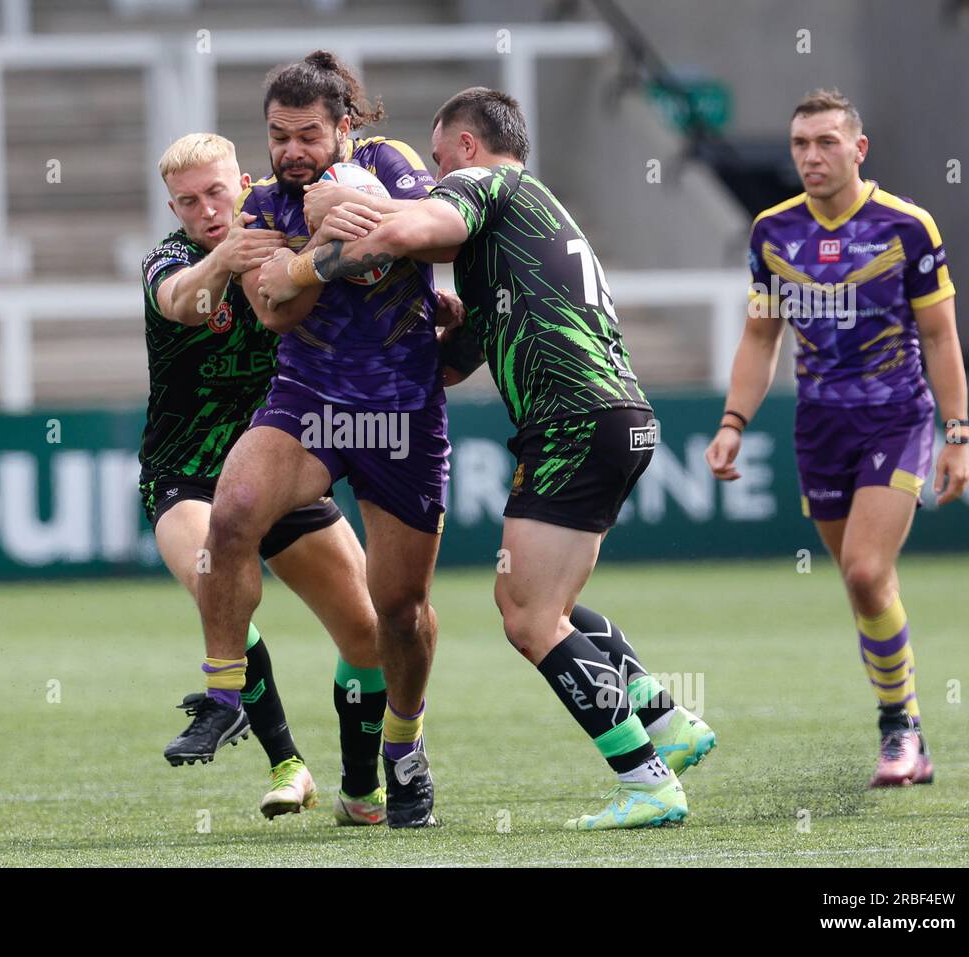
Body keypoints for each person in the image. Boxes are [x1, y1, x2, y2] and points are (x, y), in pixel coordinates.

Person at [261, 87, 715, 830]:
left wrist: (327, 238)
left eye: (437, 161)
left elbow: (419, 226)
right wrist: (431, 320)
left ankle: (648, 779)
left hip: (573, 420)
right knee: (550, 601)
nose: (433, 176)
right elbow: (449, 362)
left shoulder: (485, 182)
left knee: (527, 614)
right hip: (618, 417)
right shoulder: (524, 227)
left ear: (466, 147)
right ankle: (665, 720)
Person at [166, 51, 453, 828]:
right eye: (277, 135)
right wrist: (310, 260)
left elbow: (439, 241)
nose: (291, 151)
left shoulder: (392, 165)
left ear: (345, 128)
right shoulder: (263, 203)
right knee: (233, 512)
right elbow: (274, 311)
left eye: (308, 135)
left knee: (399, 611)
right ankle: (225, 691)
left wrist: (342, 237)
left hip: (400, 410)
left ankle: (404, 745)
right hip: (311, 400)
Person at [705, 89, 969, 787]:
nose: (812, 156)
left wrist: (958, 431)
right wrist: (734, 421)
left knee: (863, 569)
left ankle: (899, 730)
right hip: (819, 427)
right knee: (863, 587)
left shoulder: (907, 226)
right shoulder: (771, 232)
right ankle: (907, 723)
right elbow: (760, 338)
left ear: (859, 149)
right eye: (800, 144)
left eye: (826, 142)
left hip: (898, 418)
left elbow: (940, 336)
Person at [144, 133, 389, 823]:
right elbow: (183, 302)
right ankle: (284, 760)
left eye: (217, 192)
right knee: (210, 572)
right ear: (174, 207)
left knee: (368, 633)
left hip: (280, 467)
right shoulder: (171, 260)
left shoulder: (284, 240)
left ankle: (362, 784)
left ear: (244, 182)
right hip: (188, 473)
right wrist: (223, 259)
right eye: (189, 201)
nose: (206, 209)